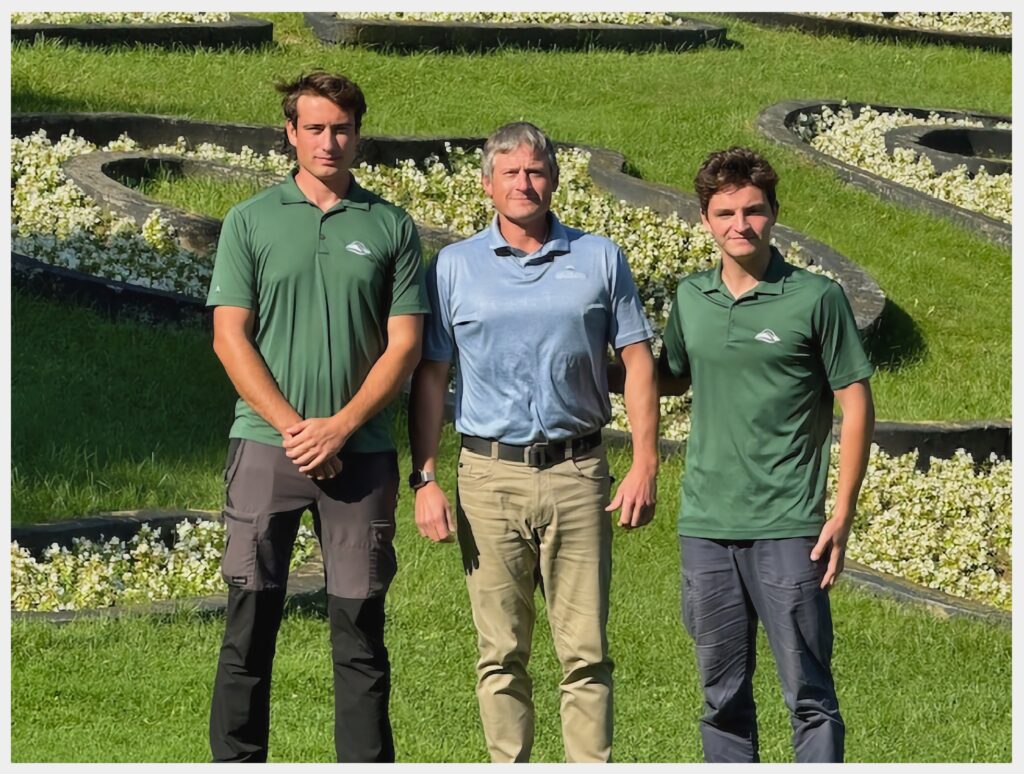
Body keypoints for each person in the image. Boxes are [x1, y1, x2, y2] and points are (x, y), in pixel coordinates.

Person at [408, 121, 660, 763]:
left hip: (579, 472)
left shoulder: (599, 258)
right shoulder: (454, 266)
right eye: (511, 173)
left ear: (554, 180)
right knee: (500, 654)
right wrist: (425, 477)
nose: (524, 183)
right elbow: (432, 375)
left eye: (536, 171)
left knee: (586, 653)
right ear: (487, 184)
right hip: (488, 477)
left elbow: (637, 361)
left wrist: (645, 463)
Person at [206, 71, 428, 763]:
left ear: (358, 134)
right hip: (264, 449)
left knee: (360, 636)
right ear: (291, 133)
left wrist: (340, 426)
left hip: (361, 455)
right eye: (315, 128)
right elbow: (229, 337)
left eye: (341, 128)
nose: (329, 141)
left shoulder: (390, 225)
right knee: (249, 627)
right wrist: (297, 430)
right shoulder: (250, 220)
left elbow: (405, 345)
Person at [659, 146, 875, 763]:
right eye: (725, 213)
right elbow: (668, 375)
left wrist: (842, 513)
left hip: (788, 525)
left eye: (753, 210)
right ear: (705, 219)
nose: (741, 225)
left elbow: (856, 405)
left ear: (774, 213)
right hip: (706, 524)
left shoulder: (816, 298)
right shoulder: (691, 297)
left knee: (809, 696)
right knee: (721, 698)